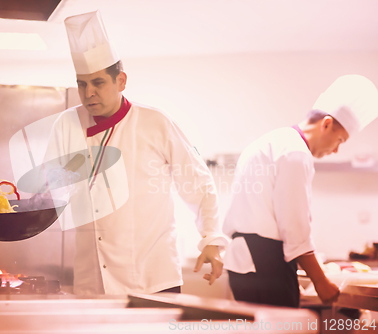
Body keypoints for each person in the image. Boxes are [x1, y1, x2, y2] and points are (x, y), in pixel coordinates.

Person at [43, 11, 228, 295]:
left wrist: (211, 241)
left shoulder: (155, 123)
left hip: (153, 279)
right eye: (82, 84)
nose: (88, 92)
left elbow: (199, 186)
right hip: (92, 282)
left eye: (98, 82)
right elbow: (51, 189)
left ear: (121, 81)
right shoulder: (66, 125)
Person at [222, 74, 378, 307]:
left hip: (244, 264)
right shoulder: (296, 153)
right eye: (340, 140)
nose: (336, 150)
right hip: (264, 265)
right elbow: (294, 229)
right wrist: (320, 282)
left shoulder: (271, 141)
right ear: (326, 124)